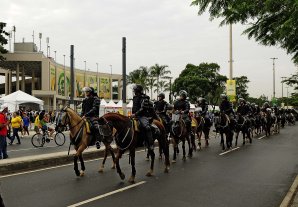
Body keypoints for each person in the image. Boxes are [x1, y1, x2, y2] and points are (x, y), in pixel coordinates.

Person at [132, 84, 157, 149]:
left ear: (138, 90)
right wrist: (133, 114)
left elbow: (143, 108)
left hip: (142, 116)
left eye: (135, 90)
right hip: (134, 116)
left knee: (147, 127)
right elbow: (134, 107)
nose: (134, 91)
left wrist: (135, 114)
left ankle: (150, 143)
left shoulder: (145, 98)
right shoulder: (134, 97)